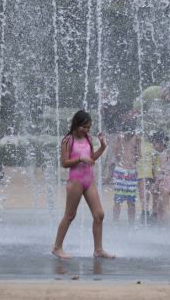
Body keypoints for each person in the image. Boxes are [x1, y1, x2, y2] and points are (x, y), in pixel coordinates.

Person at [51, 110, 114, 259]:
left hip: (89, 180)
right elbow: (65, 163)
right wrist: (80, 159)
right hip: (75, 181)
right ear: (76, 124)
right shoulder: (67, 140)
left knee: (99, 215)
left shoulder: (88, 138)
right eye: (83, 127)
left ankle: (98, 249)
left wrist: (103, 147)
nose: (86, 130)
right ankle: (57, 247)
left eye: (88, 127)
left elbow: (91, 159)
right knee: (70, 215)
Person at [112, 120, 141, 225]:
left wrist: (138, 144)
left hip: (132, 173)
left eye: (131, 134)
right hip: (120, 171)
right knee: (118, 200)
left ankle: (131, 225)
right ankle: (115, 223)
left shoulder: (135, 139)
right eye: (127, 134)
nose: (128, 136)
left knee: (131, 201)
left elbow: (138, 157)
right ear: (122, 131)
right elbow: (117, 155)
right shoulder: (118, 138)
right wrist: (119, 141)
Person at [136, 131, 157, 223]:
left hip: (144, 170)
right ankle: (153, 213)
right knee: (154, 187)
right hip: (146, 168)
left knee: (144, 187)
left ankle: (146, 211)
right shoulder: (147, 145)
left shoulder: (142, 144)